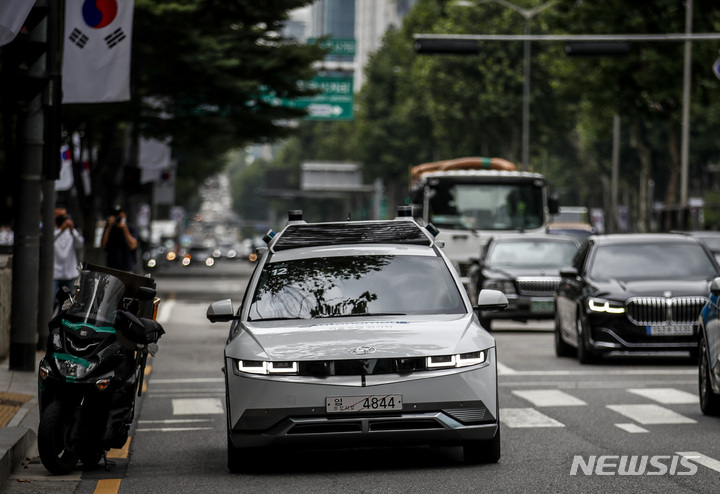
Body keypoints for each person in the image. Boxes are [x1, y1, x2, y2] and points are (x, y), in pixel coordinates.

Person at [54, 207, 84, 297]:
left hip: (70, 273)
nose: (62, 218)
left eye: (64, 216)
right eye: (60, 216)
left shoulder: (71, 231)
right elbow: (47, 241)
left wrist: (72, 230)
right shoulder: (51, 230)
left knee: (69, 301)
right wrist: (61, 230)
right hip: (54, 273)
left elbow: (80, 244)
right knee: (51, 300)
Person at [101, 205, 139, 272]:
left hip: (127, 267)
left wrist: (124, 229)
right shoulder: (109, 229)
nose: (117, 218)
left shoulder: (130, 228)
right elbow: (103, 245)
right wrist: (109, 227)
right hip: (111, 268)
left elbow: (133, 246)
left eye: (120, 216)